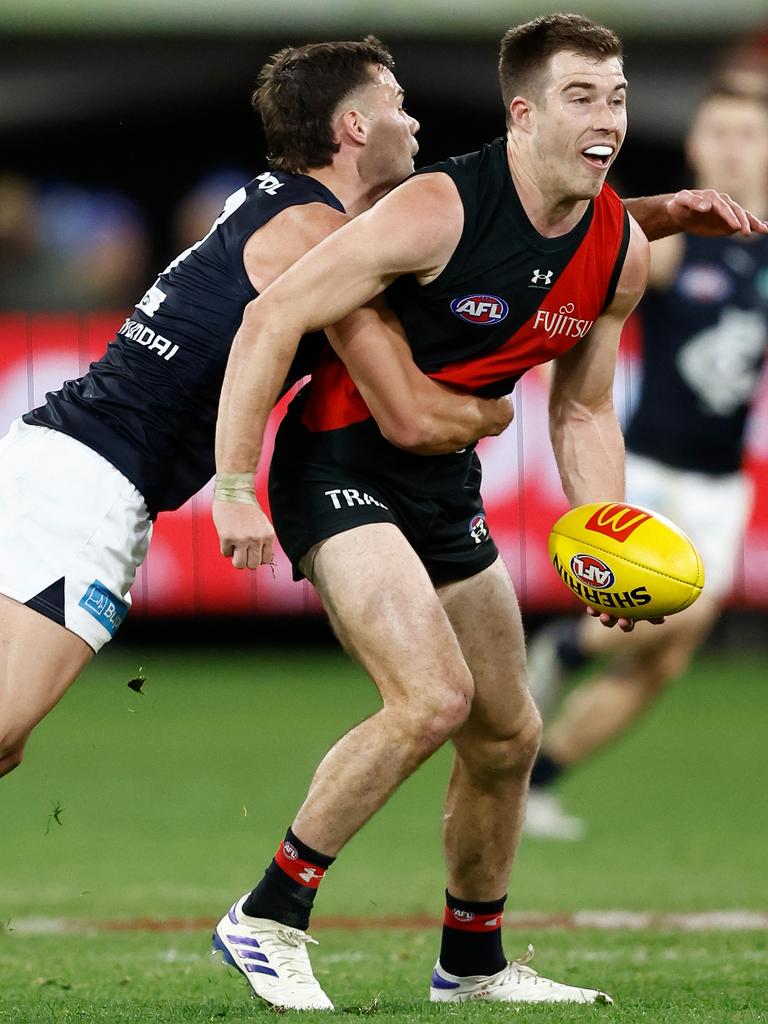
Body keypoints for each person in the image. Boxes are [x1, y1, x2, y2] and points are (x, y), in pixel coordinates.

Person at [212, 13, 767, 1013]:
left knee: (509, 733)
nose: (608, 116)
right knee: (431, 698)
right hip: (338, 464)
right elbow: (272, 313)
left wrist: (608, 530)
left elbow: (586, 408)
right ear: (523, 113)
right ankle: (268, 914)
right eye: (580, 96)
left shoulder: (618, 250)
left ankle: (470, 964)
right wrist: (237, 482)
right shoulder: (437, 207)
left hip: (442, 485)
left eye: (619, 96)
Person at [0, 37, 521, 781]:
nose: (414, 124)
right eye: (397, 107)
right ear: (354, 127)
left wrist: (645, 218)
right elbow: (407, 411)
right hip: (87, 490)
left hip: (57, 459)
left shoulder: (275, 203)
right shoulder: (318, 235)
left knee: (6, 742)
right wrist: (488, 418)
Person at [523, 82, 768, 841]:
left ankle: (537, 780)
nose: (731, 146)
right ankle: (565, 647)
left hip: (722, 481)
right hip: (651, 466)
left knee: (662, 665)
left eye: (747, 133)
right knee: (679, 606)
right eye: (717, 132)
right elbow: (598, 253)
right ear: (695, 147)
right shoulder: (678, 242)